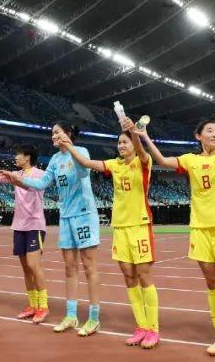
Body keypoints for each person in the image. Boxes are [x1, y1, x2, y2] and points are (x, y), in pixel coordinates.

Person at [136, 115, 215, 362]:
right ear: (198, 136)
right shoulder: (190, 160)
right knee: (211, 284)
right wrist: (144, 136)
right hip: (199, 228)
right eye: (210, 131)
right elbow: (162, 161)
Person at [63, 116, 161, 349]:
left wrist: (134, 133)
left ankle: (153, 329)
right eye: (119, 142)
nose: (121, 145)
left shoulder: (143, 162)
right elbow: (87, 163)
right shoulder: (114, 164)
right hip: (120, 228)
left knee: (144, 275)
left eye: (125, 142)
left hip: (139, 226)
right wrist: (68, 146)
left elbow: (142, 151)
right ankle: (141, 326)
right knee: (128, 275)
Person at [2, 120, 102, 336]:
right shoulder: (55, 159)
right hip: (65, 217)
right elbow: (41, 183)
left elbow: (83, 173)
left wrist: (70, 148)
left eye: (57, 132)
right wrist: (17, 180)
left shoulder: (82, 151)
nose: (53, 136)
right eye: (52, 133)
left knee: (89, 267)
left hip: (84, 215)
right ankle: (71, 315)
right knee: (69, 268)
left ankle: (94, 318)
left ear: (68, 133)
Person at [0, 143, 50, 323]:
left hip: (35, 225)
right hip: (19, 225)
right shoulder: (16, 174)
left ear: (27, 157)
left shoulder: (40, 174)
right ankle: (33, 305)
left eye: (18, 154)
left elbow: (32, 187)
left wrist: (13, 177)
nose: (15, 157)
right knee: (25, 268)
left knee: (33, 265)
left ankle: (43, 306)